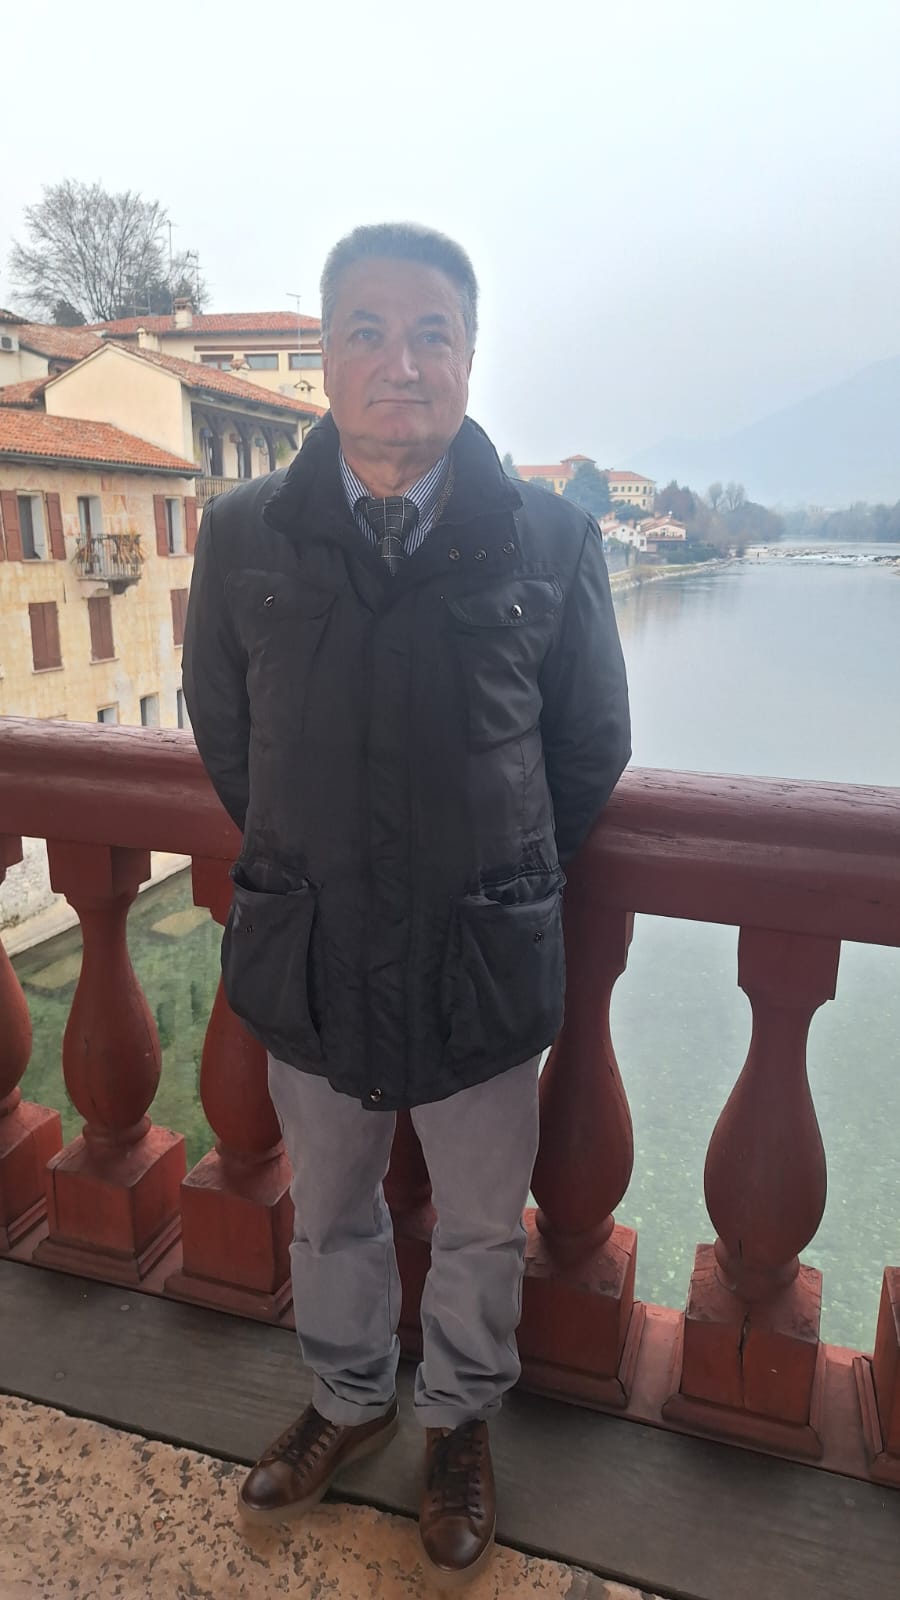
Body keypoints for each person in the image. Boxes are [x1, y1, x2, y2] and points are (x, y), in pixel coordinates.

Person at [183, 222, 630, 1586]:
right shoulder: (245, 533)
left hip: (478, 951)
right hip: (313, 942)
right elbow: (227, 736)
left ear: (470, 356)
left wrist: (499, 866)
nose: (402, 364)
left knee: (484, 1221)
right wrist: (314, 852)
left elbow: (587, 747)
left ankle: (458, 1421)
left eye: (433, 333)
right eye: (368, 333)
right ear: (324, 359)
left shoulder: (548, 538)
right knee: (329, 1203)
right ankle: (348, 1394)